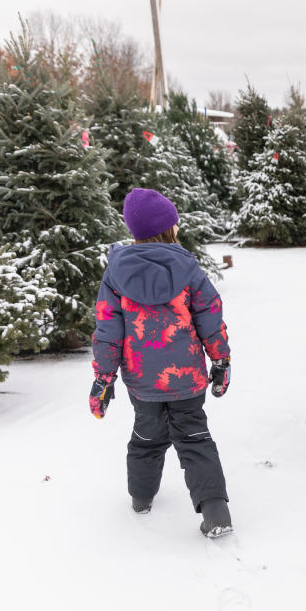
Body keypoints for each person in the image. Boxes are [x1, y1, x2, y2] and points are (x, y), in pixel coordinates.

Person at [88, 188, 234, 538]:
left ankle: (141, 498)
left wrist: (103, 378)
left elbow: (108, 330)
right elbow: (210, 317)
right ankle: (216, 511)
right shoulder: (189, 268)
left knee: (146, 438)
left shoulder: (116, 274)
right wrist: (221, 360)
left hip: (142, 381)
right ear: (169, 228)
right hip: (186, 379)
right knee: (195, 437)